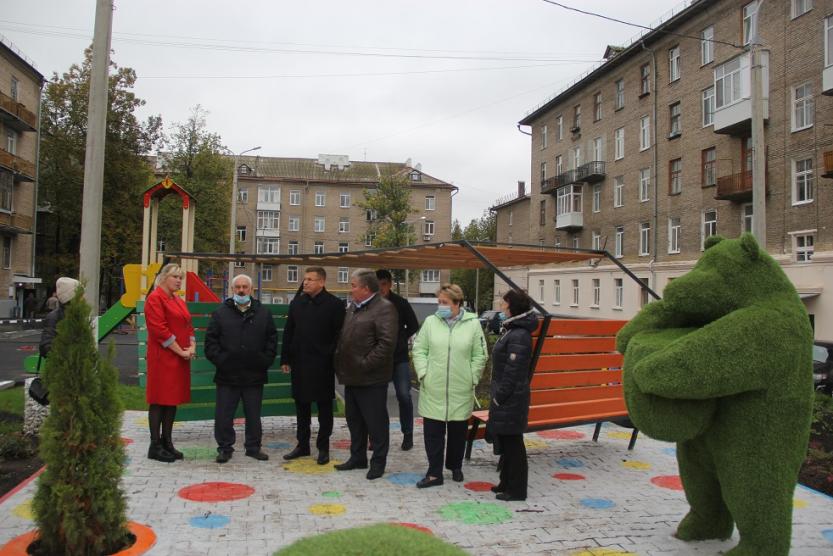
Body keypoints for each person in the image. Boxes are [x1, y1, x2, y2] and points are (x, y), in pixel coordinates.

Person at [412, 283, 487, 488]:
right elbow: (419, 350)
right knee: (433, 433)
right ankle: (434, 473)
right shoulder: (430, 322)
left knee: (457, 432)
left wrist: (472, 377)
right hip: (433, 387)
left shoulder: (473, 324)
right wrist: (423, 374)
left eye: (444, 303)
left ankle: (455, 466)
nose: (440, 307)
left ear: (457, 304)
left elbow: (480, 354)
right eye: (439, 302)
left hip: (460, 388)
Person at [205, 274, 277, 464]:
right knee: (223, 415)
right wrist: (223, 361)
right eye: (238, 287)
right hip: (227, 374)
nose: (241, 290)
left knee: (253, 414)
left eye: (245, 287)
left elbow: (271, 340)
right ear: (232, 290)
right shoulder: (220, 313)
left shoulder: (263, 312)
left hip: (254, 374)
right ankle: (224, 448)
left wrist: (264, 360)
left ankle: (253, 447)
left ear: (251, 290)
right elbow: (210, 343)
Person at [333, 269, 398, 480]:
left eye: (353, 285)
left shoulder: (384, 308)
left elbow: (386, 344)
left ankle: (378, 462)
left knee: (375, 422)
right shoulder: (353, 307)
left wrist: (364, 363)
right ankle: (357, 457)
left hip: (371, 377)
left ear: (366, 288)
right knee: (355, 420)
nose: (350, 289)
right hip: (352, 376)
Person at [281, 267, 345, 465]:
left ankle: (323, 447)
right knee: (301, 406)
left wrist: (328, 354)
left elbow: (339, 335)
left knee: (324, 408)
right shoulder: (297, 303)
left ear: (322, 282)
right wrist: (285, 359)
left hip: (322, 365)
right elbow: (289, 331)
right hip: (300, 363)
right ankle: (302, 445)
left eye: (310, 279)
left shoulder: (334, 304)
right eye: (305, 279)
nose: (305, 282)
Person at [488, 290, 536, 501]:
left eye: (504, 302)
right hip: (507, 395)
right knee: (507, 442)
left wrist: (500, 396)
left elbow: (513, 371)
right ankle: (506, 482)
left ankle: (517, 490)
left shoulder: (519, 335)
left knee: (513, 443)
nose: (501, 305)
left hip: (510, 397)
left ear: (512, 306)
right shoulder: (513, 330)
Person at [144, 264, 195, 463]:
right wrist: (179, 350)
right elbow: (159, 330)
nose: (179, 280)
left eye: (180, 277)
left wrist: (191, 348)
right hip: (162, 358)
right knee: (159, 399)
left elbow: (188, 324)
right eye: (175, 276)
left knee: (172, 400)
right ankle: (155, 445)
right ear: (164, 277)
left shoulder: (177, 300)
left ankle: (167, 442)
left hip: (179, 357)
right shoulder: (155, 299)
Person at [376, 269, 420, 451]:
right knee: (376, 398)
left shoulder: (401, 303)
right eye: (377, 285)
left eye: (384, 284)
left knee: (404, 395)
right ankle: (377, 436)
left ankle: (408, 434)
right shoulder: (371, 304)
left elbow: (414, 325)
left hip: (399, 357)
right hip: (377, 359)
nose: (381, 289)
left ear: (390, 284)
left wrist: (400, 338)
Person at [39, 277, 80, 359]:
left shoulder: (78, 315)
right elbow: (46, 346)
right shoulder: (54, 317)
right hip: (63, 367)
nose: (83, 298)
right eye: (80, 295)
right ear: (71, 297)